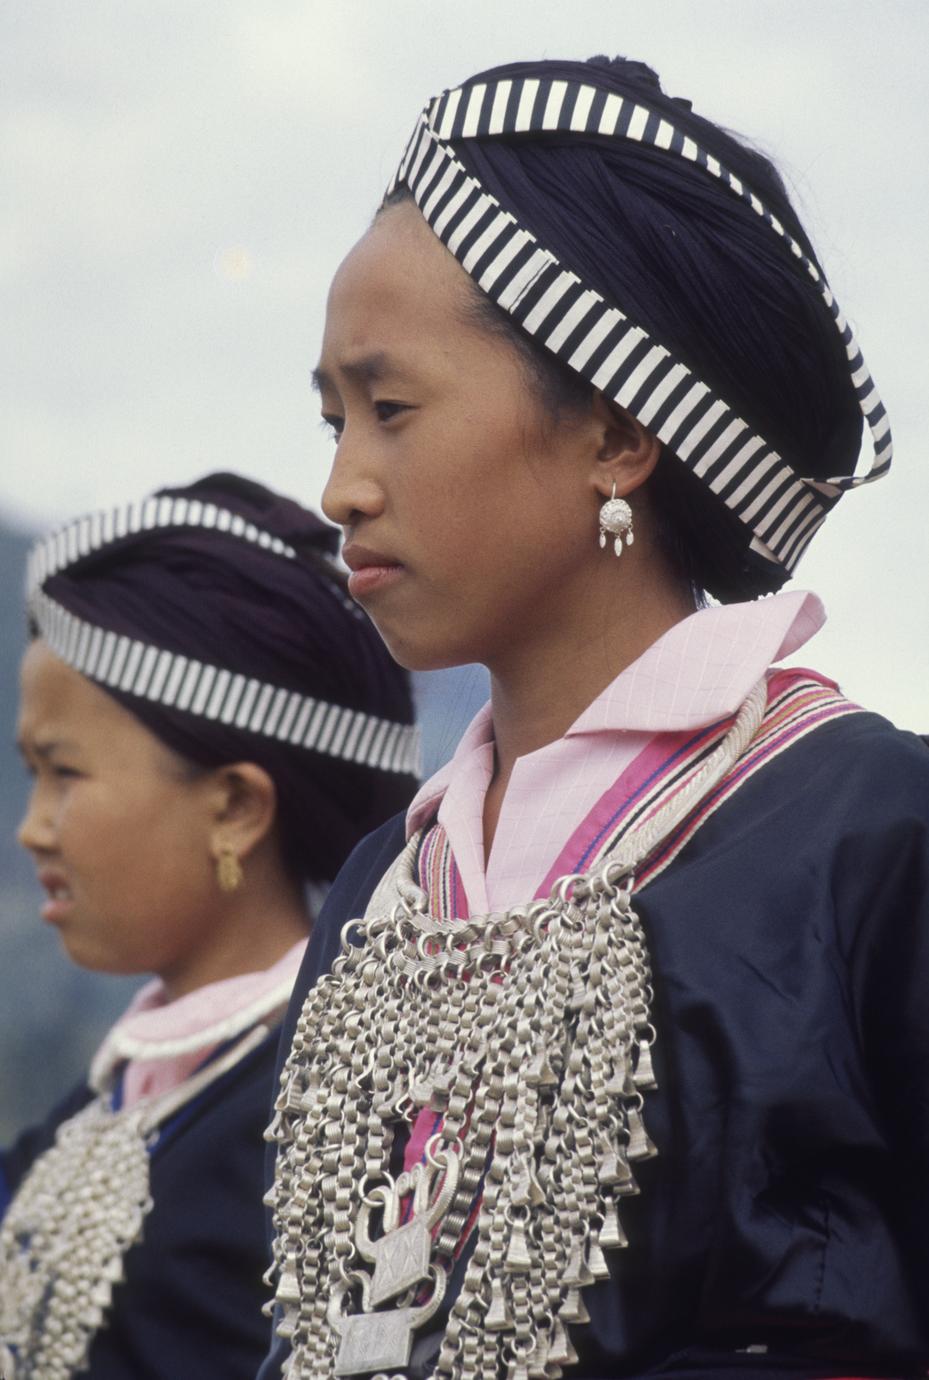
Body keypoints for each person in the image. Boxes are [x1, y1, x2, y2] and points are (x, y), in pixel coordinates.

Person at [260, 55, 929, 1380]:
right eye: (333, 419)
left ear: (618, 436)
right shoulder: (377, 897)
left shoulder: (871, 836)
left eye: (390, 410)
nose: (340, 485)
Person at [0, 471, 419, 1380]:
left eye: (63, 773)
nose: (34, 825)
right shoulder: (119, 1096)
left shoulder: (324, 1123)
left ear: (233, 807)